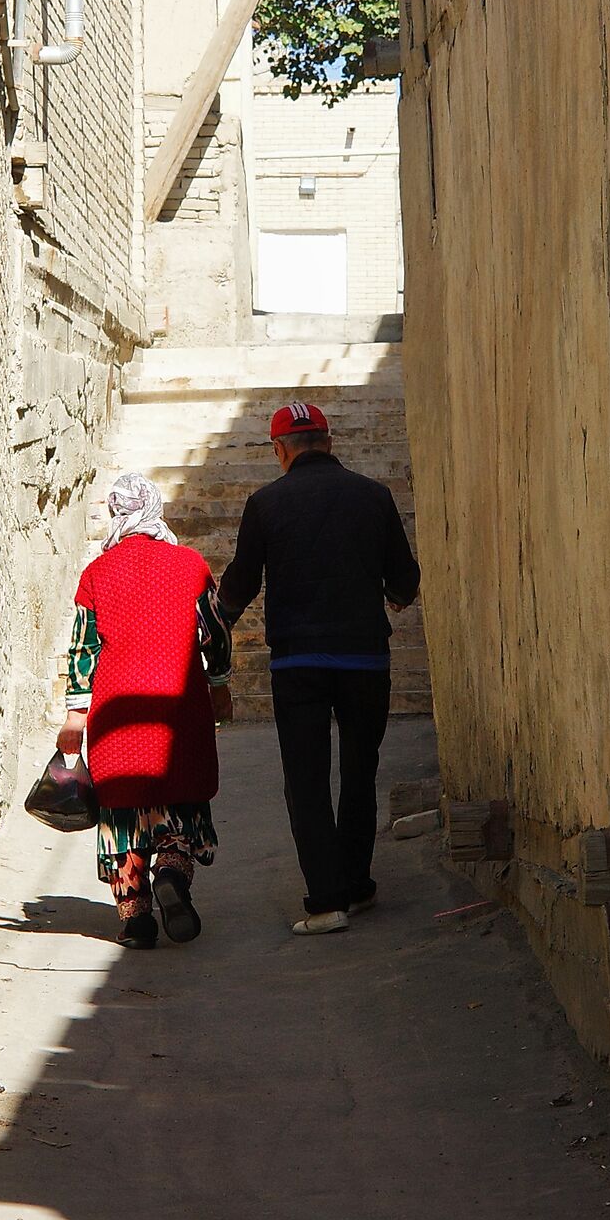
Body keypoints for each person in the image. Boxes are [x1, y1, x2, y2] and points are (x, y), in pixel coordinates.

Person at [218, 399, 420, 936]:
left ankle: (327, 901)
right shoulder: (374, 497)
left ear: (280, 451)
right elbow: (404, 578)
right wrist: (395, 596)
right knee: (360, 769)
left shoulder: (265, 503)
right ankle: (357, 884)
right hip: (364, 659)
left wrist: (218, 624)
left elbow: (240, 583)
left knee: (305, 780)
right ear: (330, 443)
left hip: (298, 662)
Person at [59, 472, 233, 949]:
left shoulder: (97, 573)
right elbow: (215, 632)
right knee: (180, 800)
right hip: (179, 707)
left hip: (116, 712)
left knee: (121, 812)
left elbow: (83, 648)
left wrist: (76, 714)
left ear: (116, 514)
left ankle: (135, 918)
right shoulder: (190, 565)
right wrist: (219, 684)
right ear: (155, 509)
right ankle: (172, 875)